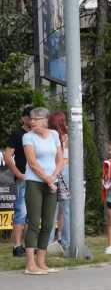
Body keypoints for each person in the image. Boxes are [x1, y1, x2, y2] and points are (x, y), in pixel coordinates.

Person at [22, 107, 64, 275]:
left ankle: (41, 262)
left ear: (45, 121)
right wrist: (48, 180)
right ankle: (30, 265)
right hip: (35, 183)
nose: (32, 122)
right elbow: (32, 163)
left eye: (36, 119)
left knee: (48, 224)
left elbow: (60, 159)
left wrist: (54, 176)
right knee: (33, 222)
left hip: (51, 182)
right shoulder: (28, 137)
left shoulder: (54, 135)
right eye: (31, 119)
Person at [4, 105, 33, 257]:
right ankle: (17, 246)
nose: (32, 119)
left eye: (34, 117)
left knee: (33, 214)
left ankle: (30, 245)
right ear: (23, 118)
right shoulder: (17, 134)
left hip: (37, 179)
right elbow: (7, 157)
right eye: (29, 116)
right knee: (21, 212)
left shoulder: (38, 134)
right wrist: (18, 174)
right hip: (23, 179)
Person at [48, 111, 71, 254]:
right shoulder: (67, 135)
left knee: (51, 209)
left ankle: (49, 242)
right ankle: (66, 241)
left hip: (51, 170)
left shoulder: (49, 135)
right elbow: (67, 158)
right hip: (66, 171)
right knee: (67, 209)